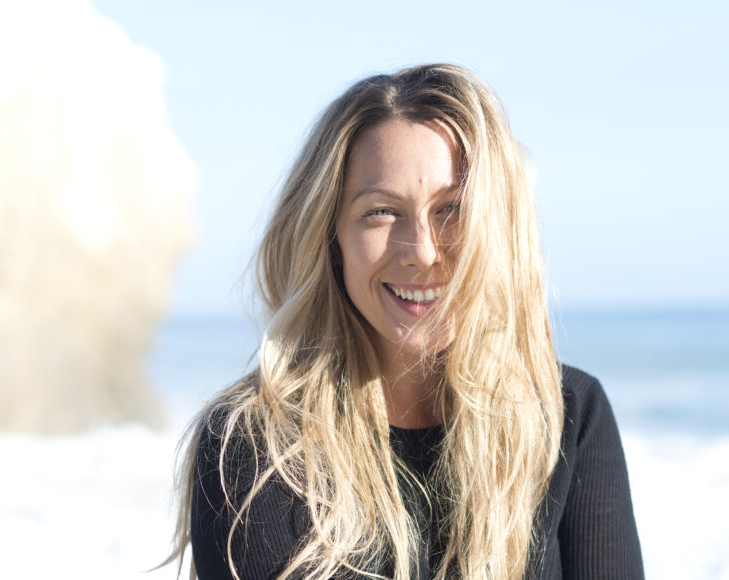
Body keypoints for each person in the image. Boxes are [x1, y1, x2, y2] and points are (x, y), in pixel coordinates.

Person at [163, 64, 644, 580]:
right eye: (381, 212)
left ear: (498, 227)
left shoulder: (568, 417)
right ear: (332, 237)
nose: (422, 251)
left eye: (452, 209)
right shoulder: (253, 448)